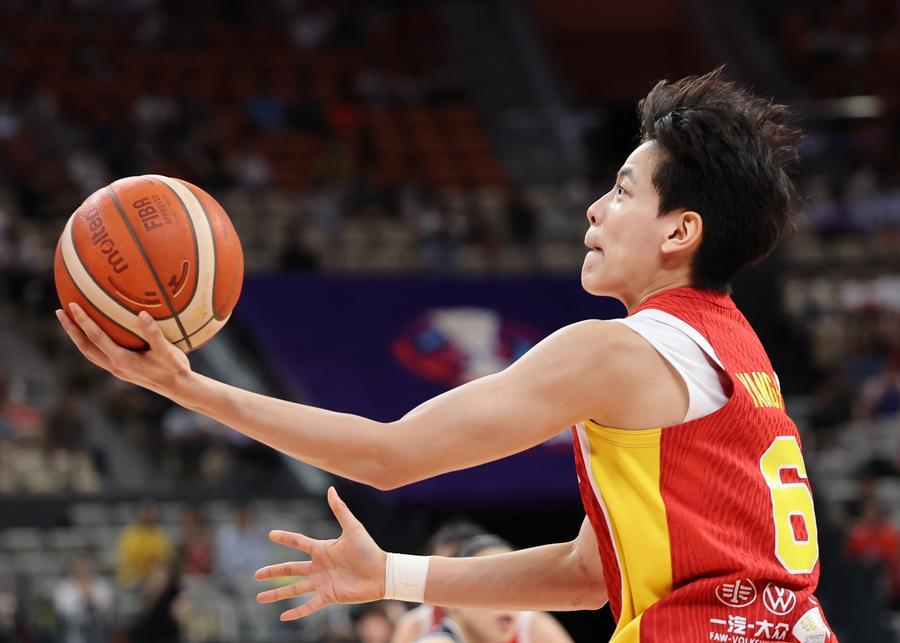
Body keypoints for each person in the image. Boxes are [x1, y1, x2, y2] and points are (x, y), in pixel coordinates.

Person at [57, 68, 836, 641]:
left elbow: (389, 454)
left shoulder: (614, 351)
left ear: (681, 231)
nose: (596, 208)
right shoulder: (737, 348)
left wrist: (188, 387)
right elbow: (586, 575)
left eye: (625, 191)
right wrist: (388, 575)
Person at [413, 535, 571, 643]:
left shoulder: (533, 624)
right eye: (495, 586)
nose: (508, 601)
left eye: (516, 586)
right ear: (453, 601)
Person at [116, 499, 172, 588]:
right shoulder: (130, 532)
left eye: (150, 512)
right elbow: (126, 557)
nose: (147, 515)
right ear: (138, 513)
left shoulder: (159, 534)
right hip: (132, 579)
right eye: (145, 511)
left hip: (152, 579)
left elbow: (162, 560)